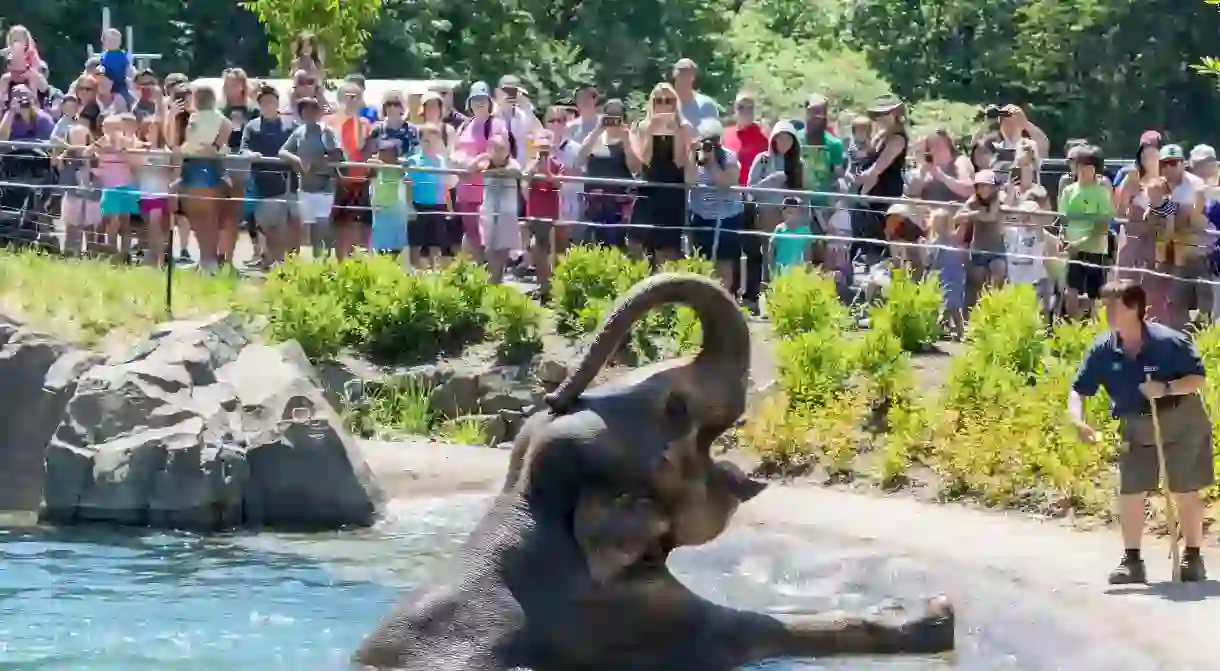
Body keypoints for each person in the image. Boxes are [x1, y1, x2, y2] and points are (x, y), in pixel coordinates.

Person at [1069, 279, 1211, 584]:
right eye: (1104, 304)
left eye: (1113, 305)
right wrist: (1078, 421)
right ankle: (1132, 561)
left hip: (1181, 418)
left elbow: (1198, 378)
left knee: (1184, 489)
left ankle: (1193, 557)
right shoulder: (1104, 350)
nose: (1106, 311)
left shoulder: (1169, 342)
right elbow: (1078, 390)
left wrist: (1166, 387)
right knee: (1131, 490)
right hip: (1135, 422)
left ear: (1134, 308)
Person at [169, 83, 231, 273]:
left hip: (196, 168)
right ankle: (208, 260)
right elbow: (223, 137)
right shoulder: (221, 119)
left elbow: (181, 144)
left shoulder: (193, 119)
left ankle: (207, 260)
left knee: (200, 219)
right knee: (209, 219)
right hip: (212, 168)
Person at [745, 120, 803, 310]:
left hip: (789, 217)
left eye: (788, 138)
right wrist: (772, 179)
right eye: (780, 138)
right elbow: (749, 190)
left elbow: (802, 192)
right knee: (768, 257)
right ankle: (765, 301)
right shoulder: (762, 160)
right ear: (773, 140)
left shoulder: (798, 164)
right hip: (766, 214)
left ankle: (786, 299)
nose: (784, 142)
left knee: (788, 258)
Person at [633, 82, 693, 260]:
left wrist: (676, 132)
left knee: (667, 248)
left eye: (669, 100)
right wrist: (651, 133)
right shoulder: (644, 126)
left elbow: (679, 161)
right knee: (640, 244)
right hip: (649, 187)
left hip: (672, 190)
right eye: (659, 100)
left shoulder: (684, 127)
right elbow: (645, 159)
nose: (664, 105)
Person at [242, 84, 299, 266]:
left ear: (277, 103)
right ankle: (274, 260)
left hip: (289, 184)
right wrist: (249, 155)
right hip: (263, 185)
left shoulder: (291, 126)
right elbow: (244, 149)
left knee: (290, 227)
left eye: (272, 101)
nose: (268, 105)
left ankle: (287, 264)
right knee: (269, 227)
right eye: (264, 102)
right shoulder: (252, 127)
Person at [280, 97, 342, 259]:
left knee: (323, 226)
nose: (309, 114)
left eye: (313, 110)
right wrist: (298, 160)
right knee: (312, 228)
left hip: (324, 186)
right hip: (305, 187)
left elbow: (336, 155)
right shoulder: (299, 132)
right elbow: (283, 151)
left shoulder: (326, 132)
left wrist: (316, 163)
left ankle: (326, 261)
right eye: (305, 110)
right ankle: (317, 262)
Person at [685, 118, 744, 288]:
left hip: (726, 217)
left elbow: (727, 183)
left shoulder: (728, 157)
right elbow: (689, 181)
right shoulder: (695, 157)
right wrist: (692, 154)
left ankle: (723, 302)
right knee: (701, 262)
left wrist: (712, 163)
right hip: (701, 216)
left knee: (724, 263)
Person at [576, 97, 640, 249]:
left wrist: (627, 141)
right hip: (595, 202)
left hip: (618, 204)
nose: (613, 119)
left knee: (617, 243)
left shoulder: (630, 139)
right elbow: (579, 159)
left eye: (617, 115)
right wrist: (597, 129)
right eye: (609, 115)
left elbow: (635, 168)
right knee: (593, 242)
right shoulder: (596, 138)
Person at [1058, 145, 1111, 319]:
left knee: (1093, 298)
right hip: (1072, 252)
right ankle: (1075, 331)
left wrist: (1078, 244)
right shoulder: (1067, 191)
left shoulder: (1102, 193)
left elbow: (1102, 227)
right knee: (1070, 294)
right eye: (1078, 164)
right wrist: (1062, 238)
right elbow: (1063, 221)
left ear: (1094, 169)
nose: (1080, 169)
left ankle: (1092, 330)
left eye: (1085, 165)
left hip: (1094, 252)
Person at [855, 95, 909, 263]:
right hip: (871, 194)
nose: (881, 118)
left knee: (882, 238)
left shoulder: (898, 138)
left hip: (887, 193)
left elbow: (878, 167)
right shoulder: (880, 135)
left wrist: (863, 179)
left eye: (885, 113)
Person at [327, 80, 375, 258]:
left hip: (360, 181)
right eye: (348, 96)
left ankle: (356, 266)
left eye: (356, 97)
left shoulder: (365, 124)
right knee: (339, 227)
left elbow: (367, 148)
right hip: (336, 182)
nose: (352, 101)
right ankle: (340, 266)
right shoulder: (330, 122)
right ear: (339, 98)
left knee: (359, 228)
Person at [405, 123, 458, 267]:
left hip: (438, 206)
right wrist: (409, 206)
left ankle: (433, 274)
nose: (430, 144)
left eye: (434, 141)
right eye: (426, 141)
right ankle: (415, 274)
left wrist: (450, 207)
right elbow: (408, 184)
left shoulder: (442, 161)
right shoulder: (414, 160)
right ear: (420, 141)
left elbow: (445, 186)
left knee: (436, 243)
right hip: (419, 206)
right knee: (416, 243)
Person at [473, 134, 521, 283]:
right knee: (489, 247)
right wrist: (481, 157)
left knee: (503, 249)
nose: (499, 152)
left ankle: (496, 280)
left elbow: (516, 172)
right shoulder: (486, 162)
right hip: (488, 210)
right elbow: (470, 169)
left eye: (502, 149)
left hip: (507, 211)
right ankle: (492, 280)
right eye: (495, 148)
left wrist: (489, 172)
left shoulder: (512, 163)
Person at [524, 129, 565, 298]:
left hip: (550, 216)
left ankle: (548, 286)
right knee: (535, 250)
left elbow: (559, 184)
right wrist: (534, 169)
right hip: (533, 214)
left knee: (545, 250)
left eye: (546, 148)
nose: (543, 152)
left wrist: (547, 173)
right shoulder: (530, 163)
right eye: (540, 148)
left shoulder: (558, 164)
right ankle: (543, 285)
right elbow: (524, 178)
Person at [798, 93, 845, 237]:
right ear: (806, 112)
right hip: (798, 204)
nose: (817, 116)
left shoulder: (834, 144)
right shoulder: (794, 139)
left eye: (821, 112)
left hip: (824, 207)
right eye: (814, 111)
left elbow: (838, 175)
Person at [954, 169, 1006, 298]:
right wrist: (974, 215)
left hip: (996, 248)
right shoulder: (973, 202)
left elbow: (992, 216)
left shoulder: (1000, 198)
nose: (983, 189)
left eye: (986, 185)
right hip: (978, 249)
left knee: (998, 272)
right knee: (979, 283)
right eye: (980, 186)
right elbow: (956, 218)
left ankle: (996, 307)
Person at [927, 208, 967, 340]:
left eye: (942, 223)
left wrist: (962, 220)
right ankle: (944, 328)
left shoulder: (953, 238)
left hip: (954, 274)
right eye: (937, 224)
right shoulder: (934, 242)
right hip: (941, 275)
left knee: (952, 304)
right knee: (946, 304)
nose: (940, 227)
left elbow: (962, 227)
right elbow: (930, 260)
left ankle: (955, 329)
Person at [768, 196, 813, 277]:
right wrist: (772, 268)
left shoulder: (805, 231)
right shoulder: (779, 229)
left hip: (799, 271)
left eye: (795, 213)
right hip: (781, 271)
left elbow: (807, 252)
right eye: (789, 212)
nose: (792, 216)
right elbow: (771, 249)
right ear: (783, 213)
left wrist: (808, 270)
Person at [671, 58, 718, 128]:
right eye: (680, 75)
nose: (683, 79)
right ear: (674, 76)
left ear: (693, 77)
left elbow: (715, 135)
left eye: (686, 75)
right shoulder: (665, 105)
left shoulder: (706, 105)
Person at [99, 28, 134, 104]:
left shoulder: (124, 55)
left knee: (125, 99)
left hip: (121, 85)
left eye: (115, 41)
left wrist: (131, 78)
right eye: (110, 41)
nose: (113, 43)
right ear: (104, 42)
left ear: (120, 42)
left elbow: (129, 69)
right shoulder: (102, 56)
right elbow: (100, 68)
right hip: (106, 85)